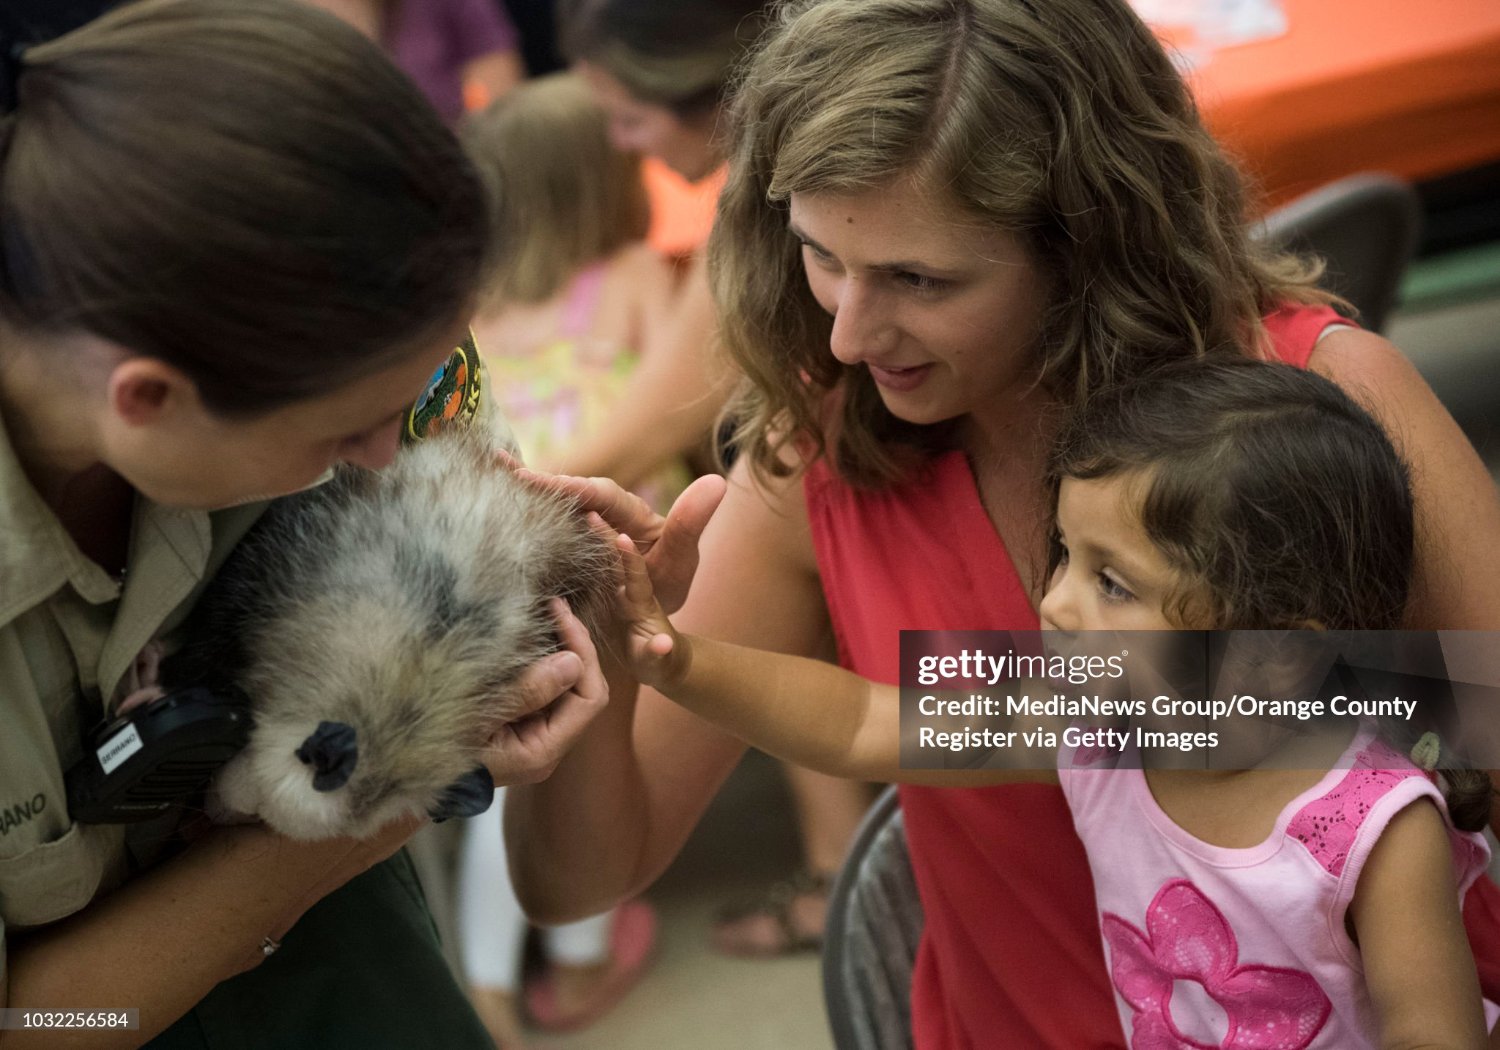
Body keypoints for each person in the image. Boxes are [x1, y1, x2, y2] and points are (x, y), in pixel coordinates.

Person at [504, 0, 1500, 1044]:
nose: (845, 335)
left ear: (1086, 241)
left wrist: (1141, 695)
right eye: (821, 255)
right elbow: (578, 883)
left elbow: (1483, 713)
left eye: (919, 279)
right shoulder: (823, 459)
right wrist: (608, 658)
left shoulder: (1328, 390)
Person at [0, 2, 616, 1046]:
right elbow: (37, 1021)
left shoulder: (351, 334)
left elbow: (578, 870)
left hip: (340, 958)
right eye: (343, 435)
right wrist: (401, 787)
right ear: (148, 397)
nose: (386, 459)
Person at [613, 354, 1496, 1047]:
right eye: (1065, 554)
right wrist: (679, 661)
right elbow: (861, 719)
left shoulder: (1376, 828)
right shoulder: (1101, 719)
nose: (1054, 603)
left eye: (1112, 582)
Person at [556, 0, 875, 957]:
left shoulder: (761, 224)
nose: (853, 335)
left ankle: (835, 867)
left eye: (629, 116)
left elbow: (646, 418)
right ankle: (838, 863)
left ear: (707, 96)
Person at [453, 71, 680, 1046]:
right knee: (599, 747)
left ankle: (489, 989)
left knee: (505, 767)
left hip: (498, 566)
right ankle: (584, 964)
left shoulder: (469, 313)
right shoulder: (636, 276)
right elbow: (684, 407)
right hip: (631, 566)